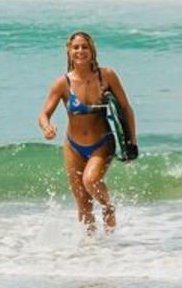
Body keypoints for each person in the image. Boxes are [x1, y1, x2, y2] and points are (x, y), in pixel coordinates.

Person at [37, 32, 137, 233]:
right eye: (76, 47)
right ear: (69, 51)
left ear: (92, 50)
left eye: (84, 47)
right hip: (73, 147)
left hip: (102, 143)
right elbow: (44, 114)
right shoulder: (62, 83)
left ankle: (109, 209)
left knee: (90, 181)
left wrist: (131, 142)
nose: (80, 51)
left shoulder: (106, 76)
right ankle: (90, 249)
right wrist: (47, 126)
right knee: (83, 204)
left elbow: (126, 108)